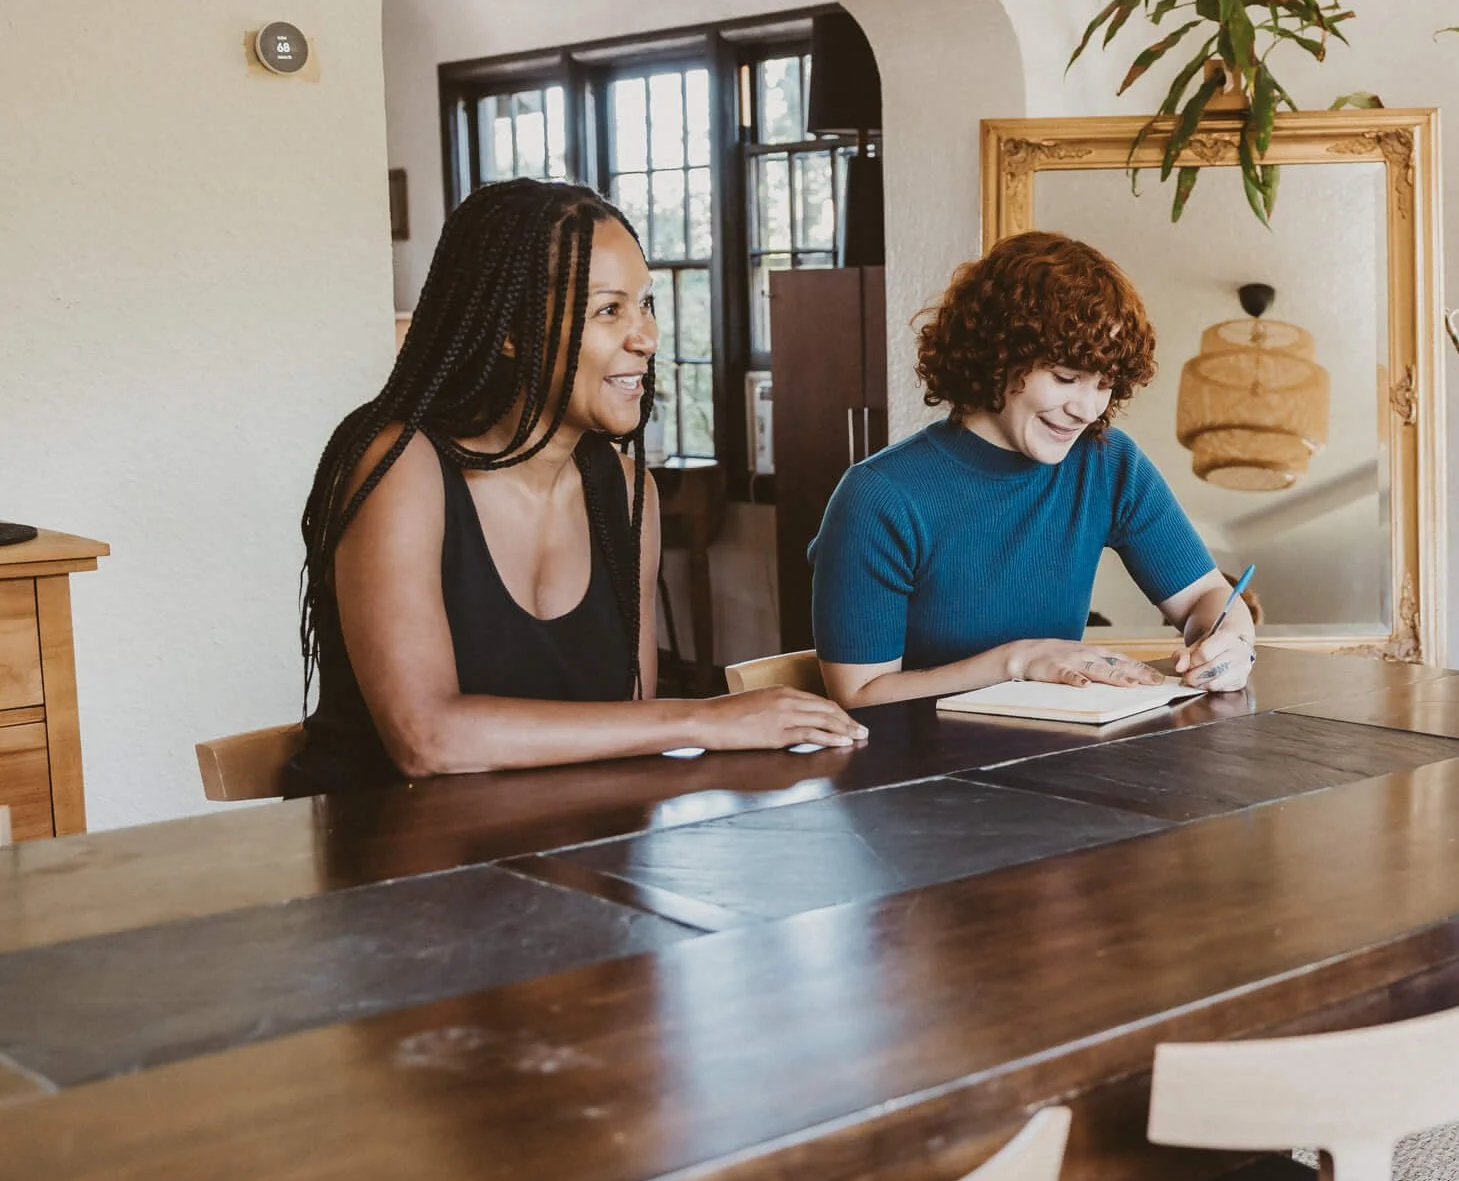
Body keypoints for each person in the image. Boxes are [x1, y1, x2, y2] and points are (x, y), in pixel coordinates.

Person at [289, 179, 865, 796]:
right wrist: (704, 716)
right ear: (510, 330)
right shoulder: (401, 466)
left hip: (563, 853)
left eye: (646, 304)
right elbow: (426, 739)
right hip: (387, 872)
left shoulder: (622, 490)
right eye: (608, 310)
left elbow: (631, 728)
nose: (645, 338)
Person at [809, 231, 1254, 707]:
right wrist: (1018, 662)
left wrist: (1231, 643)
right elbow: (859, 695)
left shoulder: (1107, 464)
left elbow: (1204, 596)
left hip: (1055, 757)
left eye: (1104, 384)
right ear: (996, 354)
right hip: (924, 768)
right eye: (1065, 378)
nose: (1087, 409)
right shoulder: (879, 497)